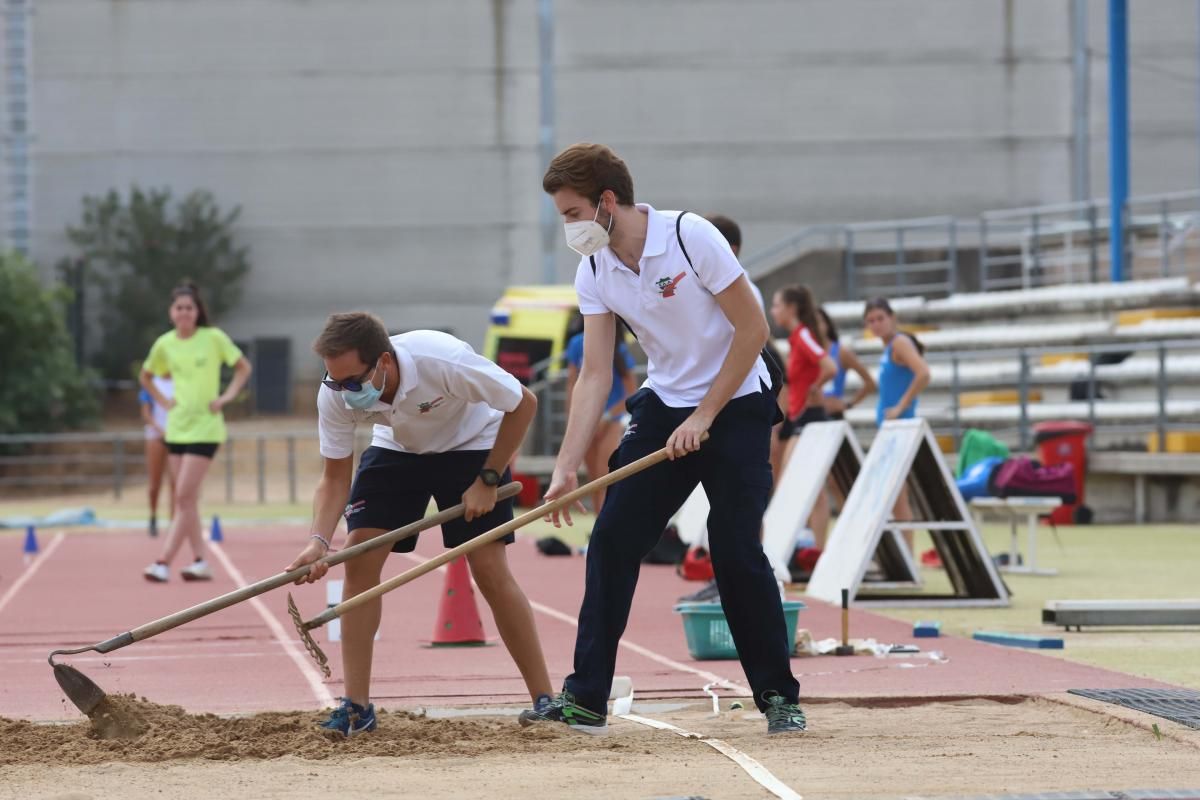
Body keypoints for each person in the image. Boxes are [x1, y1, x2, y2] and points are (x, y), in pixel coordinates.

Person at [520, 142, 805, 735]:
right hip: (663, 409)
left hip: (738, 404)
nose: (568, 228)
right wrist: (567, 467)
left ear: (606, 201)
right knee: (613, 542)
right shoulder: (593, 268)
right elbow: (595, 373)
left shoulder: (688, 235)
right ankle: (586, 698)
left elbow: (752, 329)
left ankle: (779, 696)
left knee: (733, 550)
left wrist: (704, 415)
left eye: (572, 214)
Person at [286, 312, 552, 737]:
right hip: (398, 451)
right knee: (359, 559)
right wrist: (318, 541)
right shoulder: (334, 392)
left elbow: (524, 403)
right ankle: (357, 707)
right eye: (335, 382)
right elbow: (335, 475)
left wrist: (487, 479)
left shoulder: (441, 359)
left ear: (384, 362)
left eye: (353, 382)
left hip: (474, 446)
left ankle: (545, 700)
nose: (344, 392)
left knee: (487, 568)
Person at [141, 284, 252, 582]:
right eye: (179, 308)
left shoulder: (213, 338)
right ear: (171, 312)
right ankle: (201, 560)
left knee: (184, 495)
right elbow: (146, 375)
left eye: (189, 307)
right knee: (185, 501)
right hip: (176, 429)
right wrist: (163, 402)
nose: (184, 313)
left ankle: (163, 561)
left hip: (206, 428)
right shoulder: (165, 344)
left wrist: (226, 397)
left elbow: (243, 367)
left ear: (198, 311)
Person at [770, 285, 837, 549]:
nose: (773, 311)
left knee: (795, 482)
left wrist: (815, 387)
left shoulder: (803, 335)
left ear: (791, 308)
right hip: (801, 416)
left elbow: (829, 366)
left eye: (776, 305)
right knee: (808, 487)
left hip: (811, 417)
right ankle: (815, 548)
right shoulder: (796, 337)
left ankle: (812, 546)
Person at [863, 297, 931, 546]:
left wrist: (901, 405)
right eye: (871, 321)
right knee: (894, 496)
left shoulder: (900, 343)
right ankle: (904, 554)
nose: (876, 324)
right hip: (890, 428)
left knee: (898, 496)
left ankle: (907, 555)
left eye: (880, 318)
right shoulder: (890, 346)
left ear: (892, 318)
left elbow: (923, 373)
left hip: (900, 428)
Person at [563, 314, 637, 514]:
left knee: (605, 476)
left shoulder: (617, 347)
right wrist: (574, 416)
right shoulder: (577, 343)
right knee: (594, 479)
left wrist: (606, 416)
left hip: (610, 421)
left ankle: (607, 526)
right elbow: (573, 381)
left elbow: (631, 391)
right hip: (587, 419)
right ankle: (598, 526)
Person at [817, 308, 876, 420]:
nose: (815, 326)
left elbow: (870, 382)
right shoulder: (803, 354)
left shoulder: (840, 352)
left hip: (833, 416)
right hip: (809, 415)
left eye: (819, 321)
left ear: (827, 324)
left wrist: (848, 404)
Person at [138, 374, 175, 537]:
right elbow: (146, 414)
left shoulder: (180, 382)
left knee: (176, 483)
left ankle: (174, 522)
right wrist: (160, 430)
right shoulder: (151, 382)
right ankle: (153, 516)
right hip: (156, 436)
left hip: (176, 436)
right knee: (155, 483)